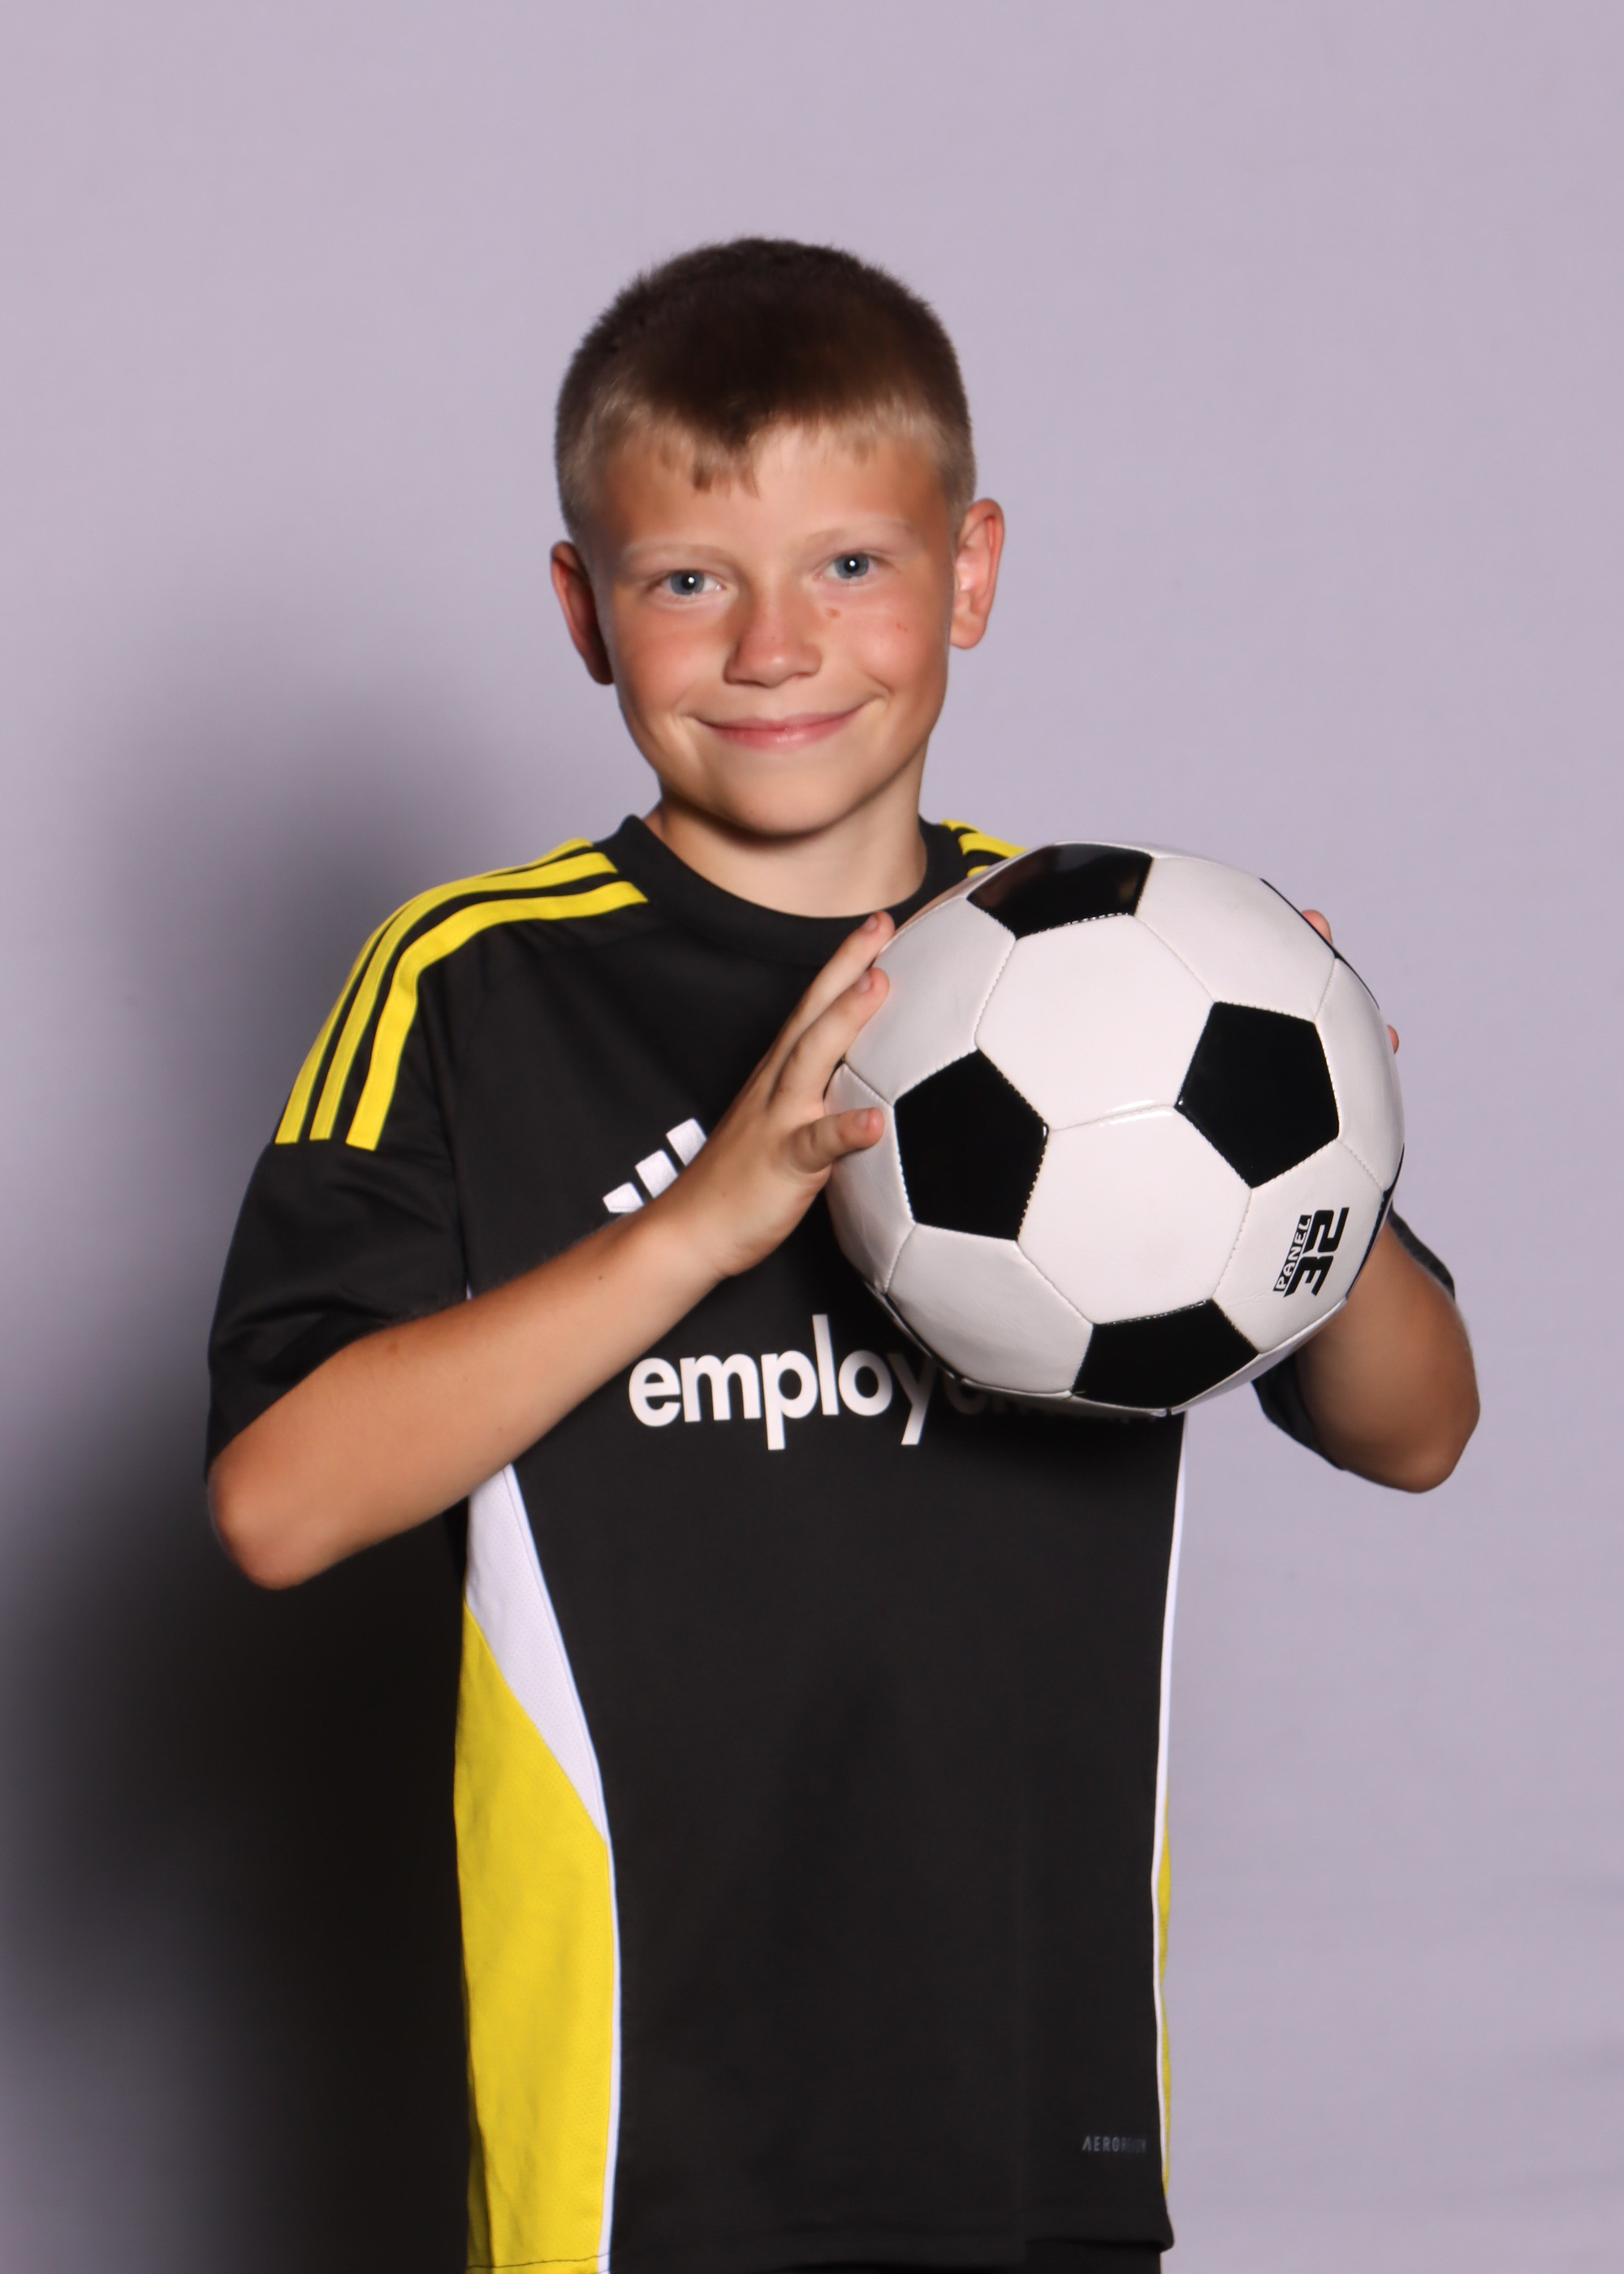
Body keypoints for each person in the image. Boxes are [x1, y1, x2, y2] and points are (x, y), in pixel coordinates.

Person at [206, 240, 1479, 2274]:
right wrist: (700, 1223)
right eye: (687, 580)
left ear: (970, 572)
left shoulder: (1115, 968)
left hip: (1030, 2119)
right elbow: (278, 1503)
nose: (774, 643)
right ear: (584, 611)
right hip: (638, 2137)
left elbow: (1418, 1428)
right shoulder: (473, 983)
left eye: (853, 565)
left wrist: (1323, 1131)